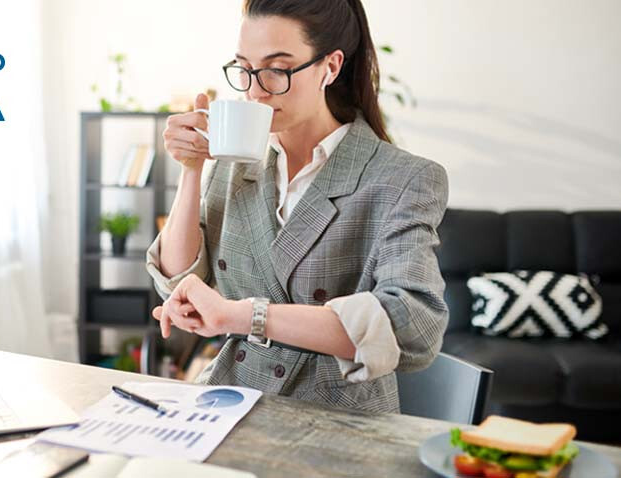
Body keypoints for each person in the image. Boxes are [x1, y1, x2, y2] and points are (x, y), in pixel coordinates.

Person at [145, 0, 449, 414]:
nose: (255, 91)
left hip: (342, 419)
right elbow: (179, 279)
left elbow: (413, 326)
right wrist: (191, 169)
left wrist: (243, 317)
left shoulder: (402, 179)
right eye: (245, 69)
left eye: (277, 69)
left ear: (331, 66)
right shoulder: (237, 165)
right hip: (231, 399)